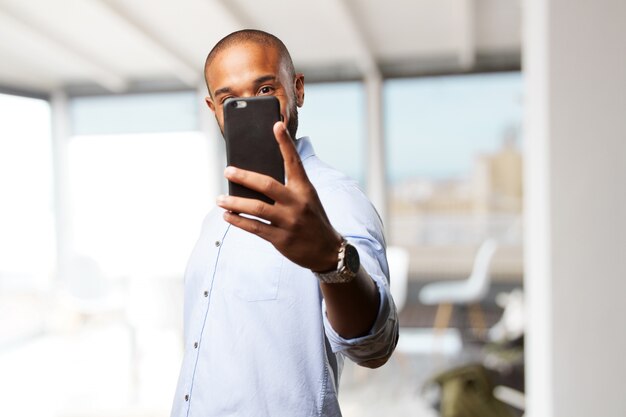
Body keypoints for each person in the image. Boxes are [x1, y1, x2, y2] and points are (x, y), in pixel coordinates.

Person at [171, 29, 398, 417]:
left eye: (264, 91)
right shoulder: (216, 216)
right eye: (229, 99)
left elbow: (373, 348)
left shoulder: (336, 199)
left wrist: (331, 259)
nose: (249, 107)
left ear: (297, 90)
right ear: (213, 110)